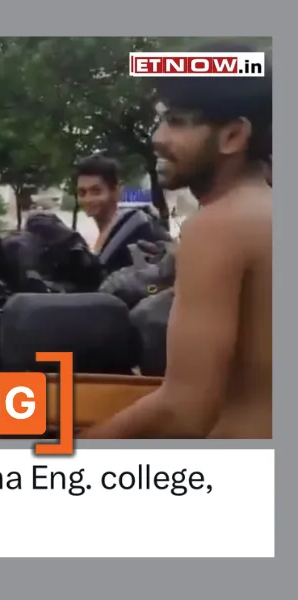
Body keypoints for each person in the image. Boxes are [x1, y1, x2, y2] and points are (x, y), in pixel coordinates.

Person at [83, 43, 272, 439]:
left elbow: (183, 412)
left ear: (233, 135)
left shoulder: (218, 228)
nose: (157, 137)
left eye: (177, 121)